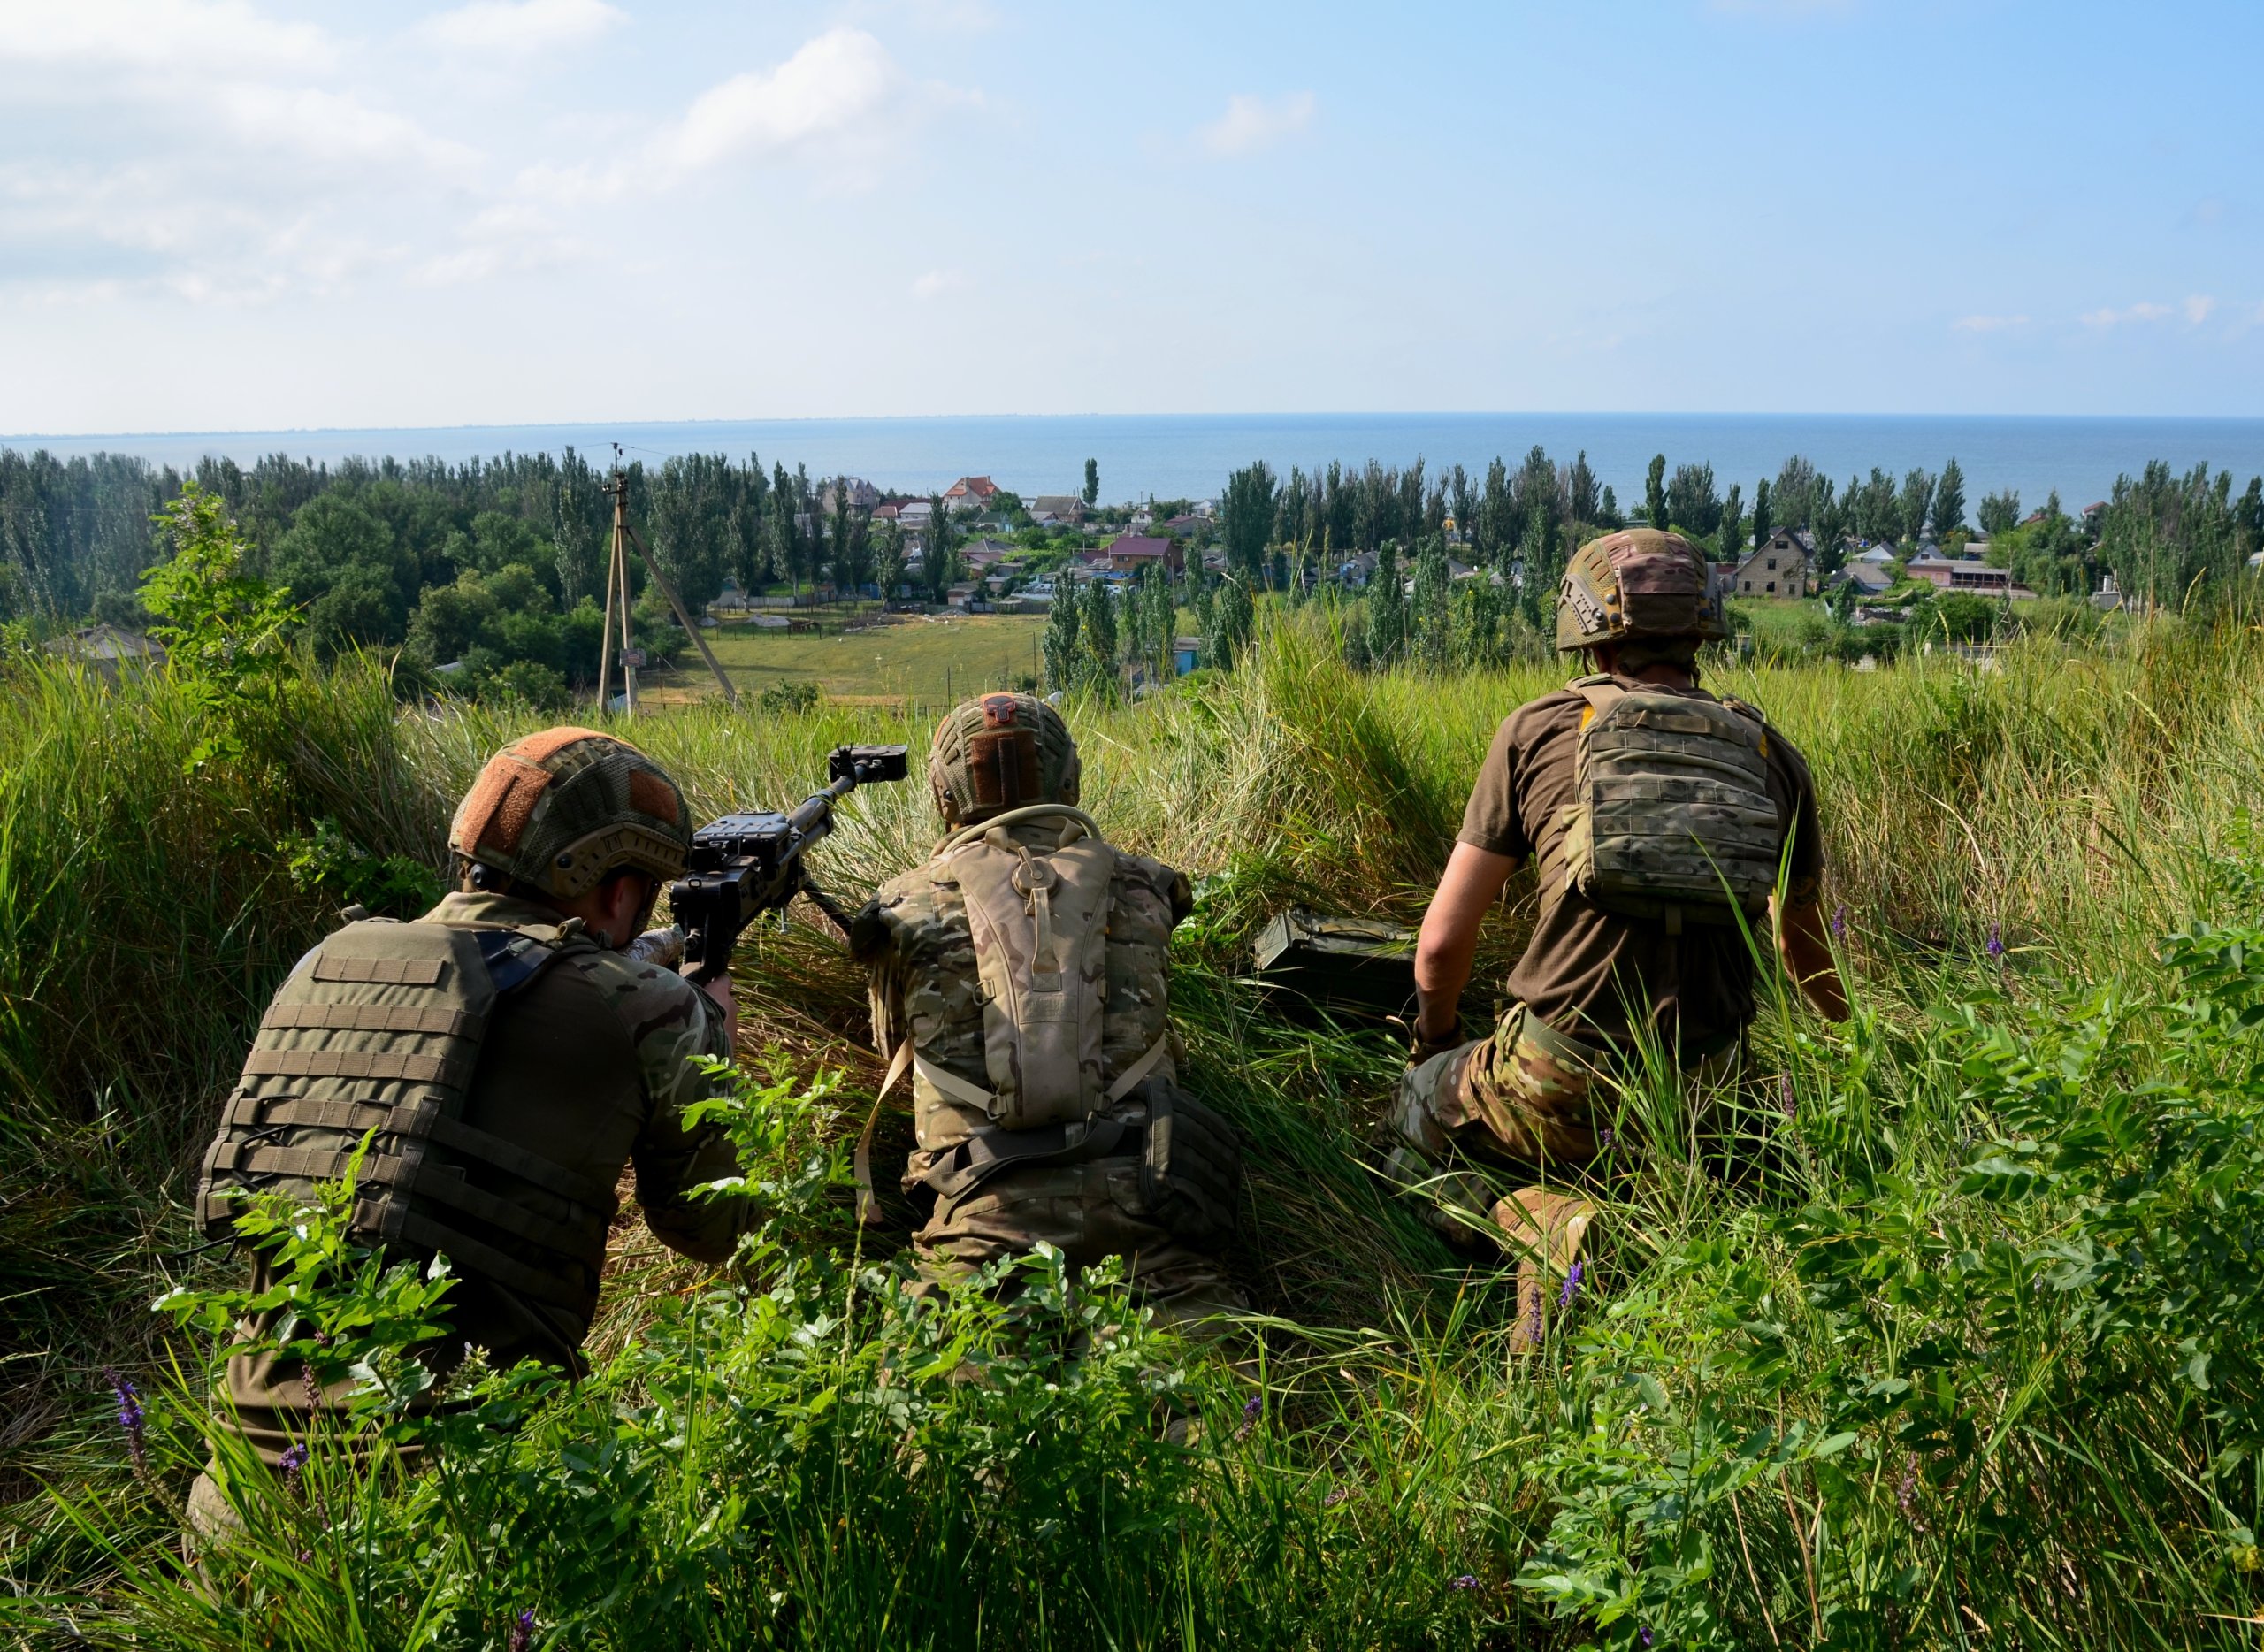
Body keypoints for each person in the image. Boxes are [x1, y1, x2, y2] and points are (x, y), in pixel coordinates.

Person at [187, 726, 750, 1535]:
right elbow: (715, 1227)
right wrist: (713, 1040)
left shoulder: (325, 963)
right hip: (461, 1510)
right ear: (618, 891)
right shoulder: (644, 1004)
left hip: (243, 1501)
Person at [1392, 530, 1847, 1332]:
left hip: (1555, 1076)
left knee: (1410, 1127)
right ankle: (1638, 1211)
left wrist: (1435, 1041)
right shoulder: (1773, 756)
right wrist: (1857, 1055)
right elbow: (1803, 952)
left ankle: (1546, 1226)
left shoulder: (1535, 733)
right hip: (1703, 1094)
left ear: (1587, 623)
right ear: (1702, 621)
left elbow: (1439, 947)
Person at [851, 692, 1243, 1325]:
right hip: (1146, 1205)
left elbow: (890, 1048)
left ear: (944, 797)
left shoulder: (901, 905)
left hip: (980, 1213)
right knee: (1206, 1410)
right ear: (1070, 780)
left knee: (950, 1414)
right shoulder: (1150, 885)